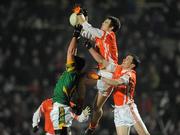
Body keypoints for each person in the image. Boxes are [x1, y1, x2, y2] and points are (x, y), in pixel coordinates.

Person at [83, 41, 150, 135]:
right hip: (118, 110)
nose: (124, 60)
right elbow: (102, 61)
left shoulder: (130, 74)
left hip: (128, 108)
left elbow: (116, 82)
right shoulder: (119, 69)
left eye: (127, 60)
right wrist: (90, 48)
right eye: (125, 58)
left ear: (132, 65)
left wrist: (99, 77)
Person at [77, 13, 121, 133]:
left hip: (108, 74)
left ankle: (79, 108)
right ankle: (91, 127)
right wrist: (79, 25)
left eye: (106, 23)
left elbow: (89, 28)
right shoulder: (101, 37)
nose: (103, 23)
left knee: (80, 80)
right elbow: (85, 32)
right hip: (105, 74)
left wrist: (80, 16)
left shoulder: (109, 35)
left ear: (111, 28)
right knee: (96, 107)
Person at [50, 25, 90, 135]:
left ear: (74, 64)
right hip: (64, 107)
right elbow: (81, 96)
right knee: (65, 132)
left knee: (61, 133)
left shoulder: (71, 73)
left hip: (61, 108)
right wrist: (79, 107)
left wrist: (75, 34)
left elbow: (70, 52)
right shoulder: (75, 76)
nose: (68, 60)